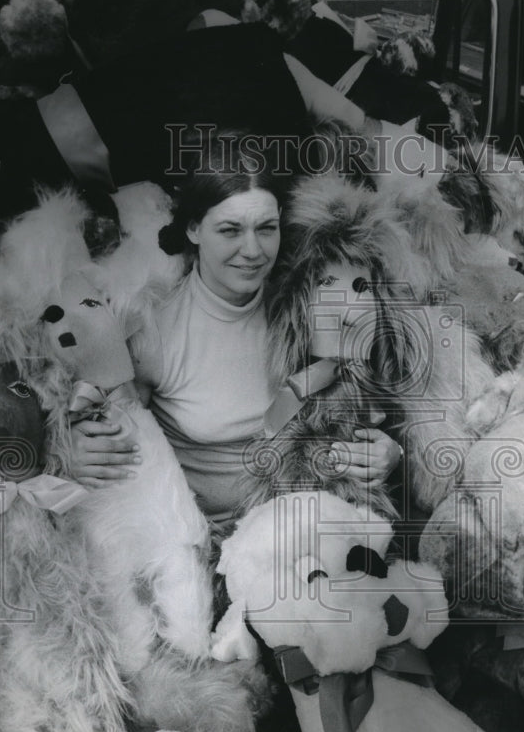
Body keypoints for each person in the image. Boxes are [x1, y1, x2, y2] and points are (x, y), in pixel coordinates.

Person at [69, 136, 402, 529]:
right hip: (202, 541)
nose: (252, 250)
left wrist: (388, 452)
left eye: (266, 228)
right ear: (193, 229)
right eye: (230, 230)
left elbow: (351, 406)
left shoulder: (303, 308)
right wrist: (76, 448)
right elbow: (111, 435)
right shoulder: (152, 330)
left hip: (304, 527)